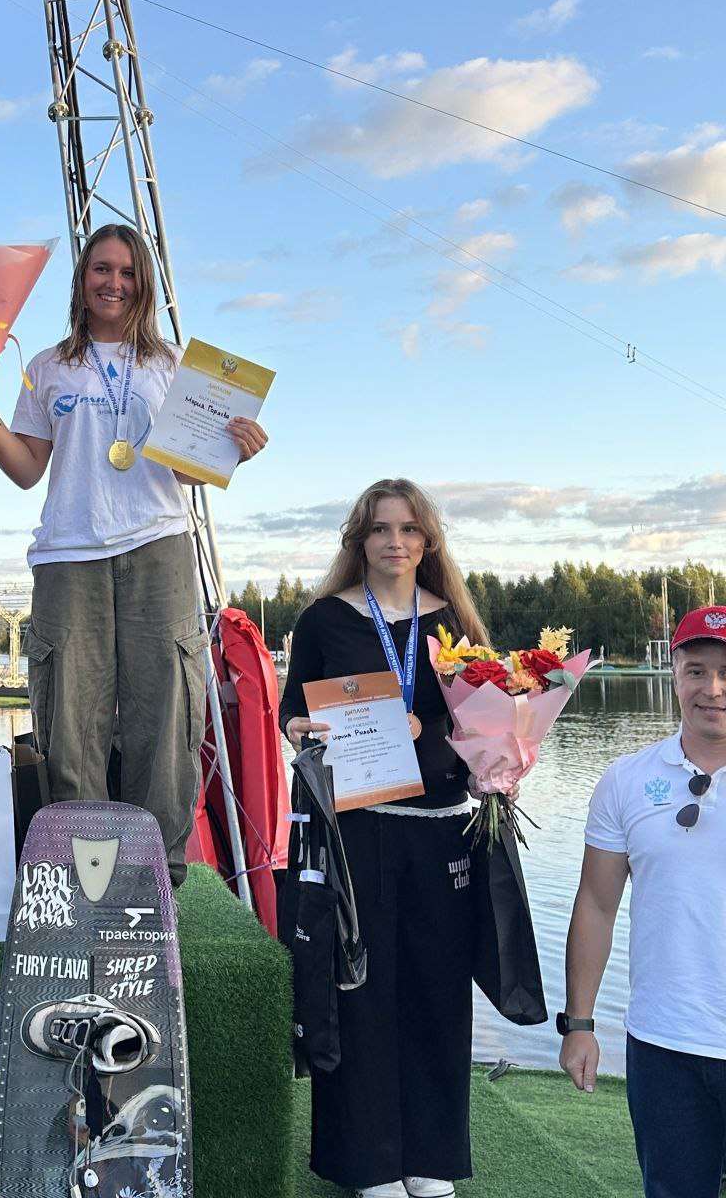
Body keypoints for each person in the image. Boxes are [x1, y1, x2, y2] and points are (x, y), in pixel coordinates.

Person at [0, 223, 267, 883]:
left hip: (158, 547)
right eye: (102, 269)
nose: (114, 283)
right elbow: (26, 470)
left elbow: (186, 470)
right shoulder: (47, 367)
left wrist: (234, 451)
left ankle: (157, 870)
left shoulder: (174, 366)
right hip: (68, 554)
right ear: (82, 279)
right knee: (69, 713)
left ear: (145, 284)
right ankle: (84, 872)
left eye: (128, 272)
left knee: (165, 708)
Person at [279, 478, 490, 1198]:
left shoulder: (454, 624)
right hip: (359, 832)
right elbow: (292, 711)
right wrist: (300, 730)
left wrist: (472, 752)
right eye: (379, 529)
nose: (394, 542)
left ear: (427, 541)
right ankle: (367, 1163)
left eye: (407, 529)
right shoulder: (324, 620)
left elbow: (484, 723)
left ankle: (430, 1158)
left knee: (437, 992)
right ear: (359, 540)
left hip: (441, 833)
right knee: (360, 992)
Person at [559, 605, 726, 1198]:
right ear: (674, 674)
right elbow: (595, 905)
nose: (713, 689)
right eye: (697, 670)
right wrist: (579, 1023)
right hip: (665, 1043)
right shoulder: (626, 781)